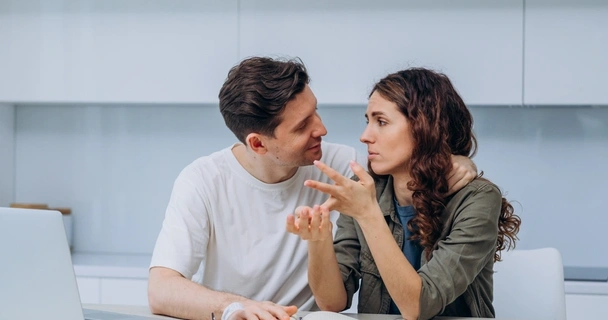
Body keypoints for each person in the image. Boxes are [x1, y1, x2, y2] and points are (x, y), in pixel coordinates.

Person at [147, 57, 478, 320]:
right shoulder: (203, 180)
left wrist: (457, 162)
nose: (321, 128)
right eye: (303, 126)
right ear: (258, 144)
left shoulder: (343, 167)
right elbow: (161, 289)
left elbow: (411, 155)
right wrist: (235, 308)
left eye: (315, 111)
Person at [286, 68, 522, 320]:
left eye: (382, 122)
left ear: (424, 128)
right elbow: (332, 302)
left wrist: (367, 213)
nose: (365, 136)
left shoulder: (477, 199)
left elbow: (418, 307)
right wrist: (318, 240)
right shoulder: (366, 190)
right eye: (368, 121)